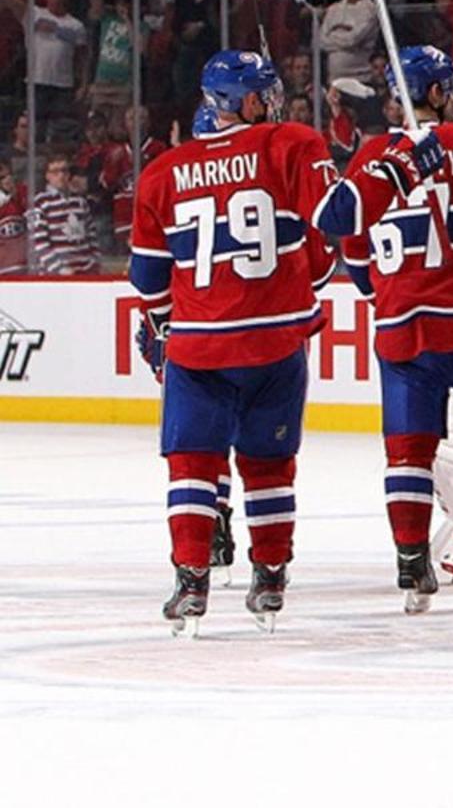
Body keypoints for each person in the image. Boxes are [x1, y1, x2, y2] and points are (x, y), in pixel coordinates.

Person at [309, 45, 453, 613]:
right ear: (440, 92)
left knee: (408, 452)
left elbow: (353, 249)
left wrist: (392, 294)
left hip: (400, 330)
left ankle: (412, 564)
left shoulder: (370, 158)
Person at [130, 50, 338, 634]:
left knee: (193, 464)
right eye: (265, 92)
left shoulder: (163, 171)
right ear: (247, 100)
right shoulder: (292, 144)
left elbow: (147, 280)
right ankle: (270, 575)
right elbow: (322, 263)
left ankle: (191, 580)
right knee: (270, 466)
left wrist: (170, 326)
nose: (273, 101)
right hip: (275, 344)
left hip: (199, 347)